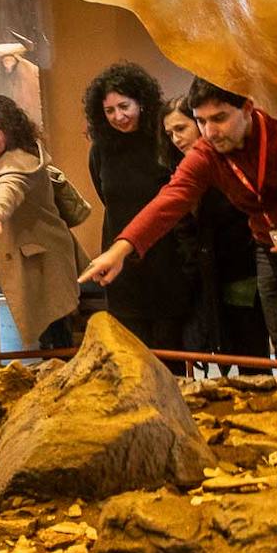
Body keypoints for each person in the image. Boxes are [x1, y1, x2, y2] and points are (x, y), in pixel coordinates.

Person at [82, 78, 277, 381]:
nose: (210, 131)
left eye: (220, 118)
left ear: (248, 108)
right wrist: (120, 249)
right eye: (201, 121)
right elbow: (171, 199)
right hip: (272, 251)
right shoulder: (207, 153)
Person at [160, 96, 273, 369]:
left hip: (246, 271)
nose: (176, 139)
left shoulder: (228, 163)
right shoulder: (179, 171)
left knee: (253, 355)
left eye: (182, 128)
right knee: (231, 355)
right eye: (169, 133)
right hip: (212, 276)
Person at [84, 62, 191, 348]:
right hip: (121, 265)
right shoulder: (100, 150)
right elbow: (105, 195)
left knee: (169, 355)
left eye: (124, 106)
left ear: (141, 102)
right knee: (131, 351)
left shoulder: (164, 140)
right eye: (109, 111)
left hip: (166, 261)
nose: (118, 116)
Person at [0, 94, 81, 349]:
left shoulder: (21, 160)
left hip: (44, 261)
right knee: (48, 340)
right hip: (29, 258)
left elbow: (8, 189)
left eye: (0, 127)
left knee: (57, 339)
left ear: (13, 128)